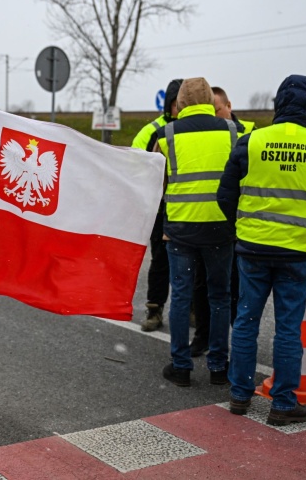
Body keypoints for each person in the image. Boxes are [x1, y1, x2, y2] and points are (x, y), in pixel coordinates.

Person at [217, 74, 306, 426]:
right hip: (297, 253)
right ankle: (283, 403)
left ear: (278, 104)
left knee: (245, 321)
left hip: (253, 249)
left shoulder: (251, 141)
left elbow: (225, 195)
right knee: (289, 329)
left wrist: (242, 230)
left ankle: (240, 395)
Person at [154, 77, 240, 387]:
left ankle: (181, 366)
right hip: (220, 229)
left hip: (180, 230)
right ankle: (219, 366)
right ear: (209, 101)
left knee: (181, 297)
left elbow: (157, 185)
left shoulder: (166, 136)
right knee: (220, 297)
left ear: (180, 104)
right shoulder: (233, 132)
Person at [190, 86, 249, 357]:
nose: (215, 115)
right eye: (210, 110)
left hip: (238, 225)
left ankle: (236, 342)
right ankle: (204, 337)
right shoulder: (209, 133)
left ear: (229, 106)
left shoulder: (244, 135)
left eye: (218, 109)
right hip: (209, 222)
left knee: (233, 288)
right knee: (203, 286)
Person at [134, 78, 183, 332]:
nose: (180, 108)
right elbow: (135, 163)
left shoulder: (195, 128)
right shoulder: (152, 131)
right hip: (160, 209)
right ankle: (154, 310)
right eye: (176, 104)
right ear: (169, 105)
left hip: (187, 207)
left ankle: (194, 310)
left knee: (192, 262)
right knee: (161, 261)